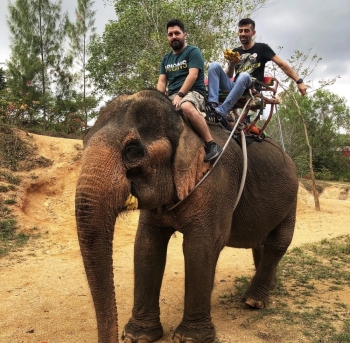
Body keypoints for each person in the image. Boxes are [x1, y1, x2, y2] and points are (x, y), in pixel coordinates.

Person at [207, 18, 307, 119]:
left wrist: (299, 81)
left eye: (246, 31)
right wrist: (231, 65)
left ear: (253, 33)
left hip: (251, 89)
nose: (243, 34)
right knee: (214, 66)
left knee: (244, 75)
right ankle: (212, 106)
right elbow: (229, 76)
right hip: (235, 86)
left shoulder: (262, 48)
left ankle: (221, 112)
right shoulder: (236, 52)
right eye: (240, 30)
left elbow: (282, 65)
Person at [157, 18, 222, 163]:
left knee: (186, 106)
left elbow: (193, 75)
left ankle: (211, 144)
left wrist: (180, 95)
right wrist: (157, 98)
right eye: (170, 34)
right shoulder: (165, 59)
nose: (174, 36)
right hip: (173, 95)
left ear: (184, 35)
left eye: (177, 33)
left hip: (193, 93)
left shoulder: (193, 51)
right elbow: (162, 81)